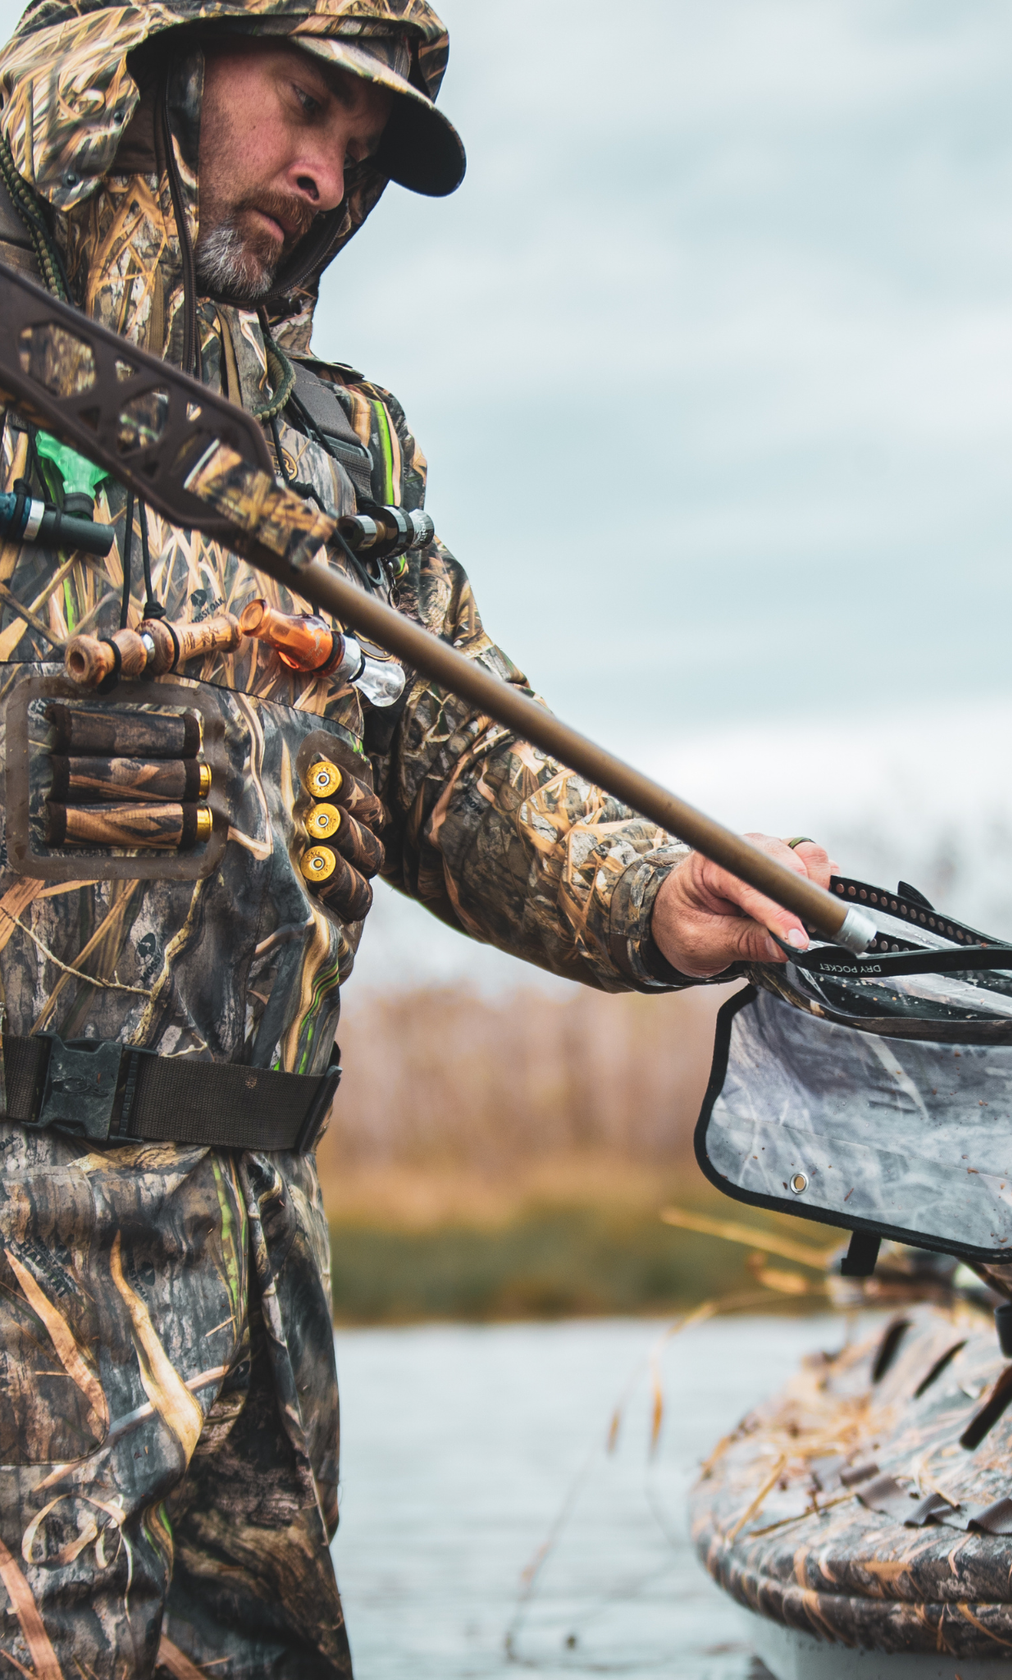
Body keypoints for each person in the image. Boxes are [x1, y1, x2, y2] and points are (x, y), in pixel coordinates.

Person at [0, 0, 833, 1672]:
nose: (322, 174)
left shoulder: (343, 458)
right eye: (301, 107)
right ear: (146, 66)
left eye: (363, 154)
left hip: (258, 1249)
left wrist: (656, 897)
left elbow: (459, 757)